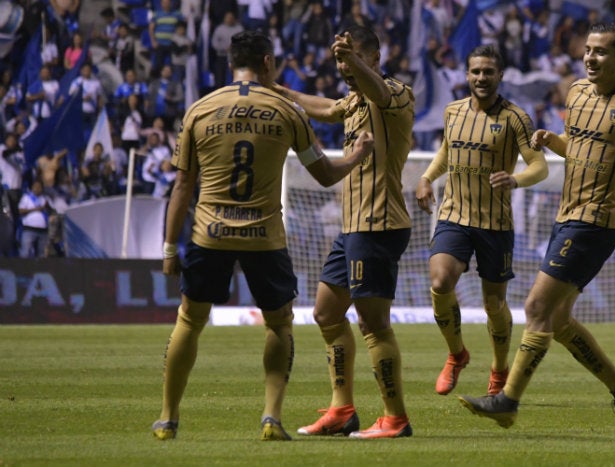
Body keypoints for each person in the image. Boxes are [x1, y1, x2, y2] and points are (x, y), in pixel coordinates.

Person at [458, 23, 615, 432]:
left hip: (596, 220)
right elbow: (578, 146)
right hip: (566, 216)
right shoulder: (577, 92)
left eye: (601, 52)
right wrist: (553, 141)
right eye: (588, 50)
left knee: (535, 308)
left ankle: (507, 400)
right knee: (558, 321)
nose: (590, 58)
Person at [151, 30, 375, 442]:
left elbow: (182, 186)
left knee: (189, 320)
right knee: (278, 325)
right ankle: (271, 416)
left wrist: (168, 248)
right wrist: (356, 158)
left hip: (210, 233)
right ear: (268, 63)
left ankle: (167, 417)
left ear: (230, 64)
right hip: (264, 237)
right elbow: (325, 175)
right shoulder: (286, 112)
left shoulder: (200, 110)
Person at [273, 25, 415, 439]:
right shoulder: (353, 102)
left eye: (351, 57)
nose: (342, 66)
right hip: (353, 227)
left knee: (374, 325)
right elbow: (325, 108)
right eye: (339, 60)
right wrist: (280, 91)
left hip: (380, 224)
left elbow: (381, 93)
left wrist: (351, 60)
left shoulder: (396, 93)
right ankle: (342, 410)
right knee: (326, 313)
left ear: (374, 58)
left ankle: (395, 418)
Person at [415, 45, 548, 397]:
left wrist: (515, 179)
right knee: (441, 281)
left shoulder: (516, 117)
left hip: (495, 223)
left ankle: (500, 368)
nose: (481, 78)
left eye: (488, 71)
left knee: (494, 304)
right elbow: (447, 151)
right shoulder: (453, 112)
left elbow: (540, 165)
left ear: (500, 75)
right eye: (475, 71)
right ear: (466, 74)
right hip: (454, 215)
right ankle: (456, 354)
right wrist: (428, 177)